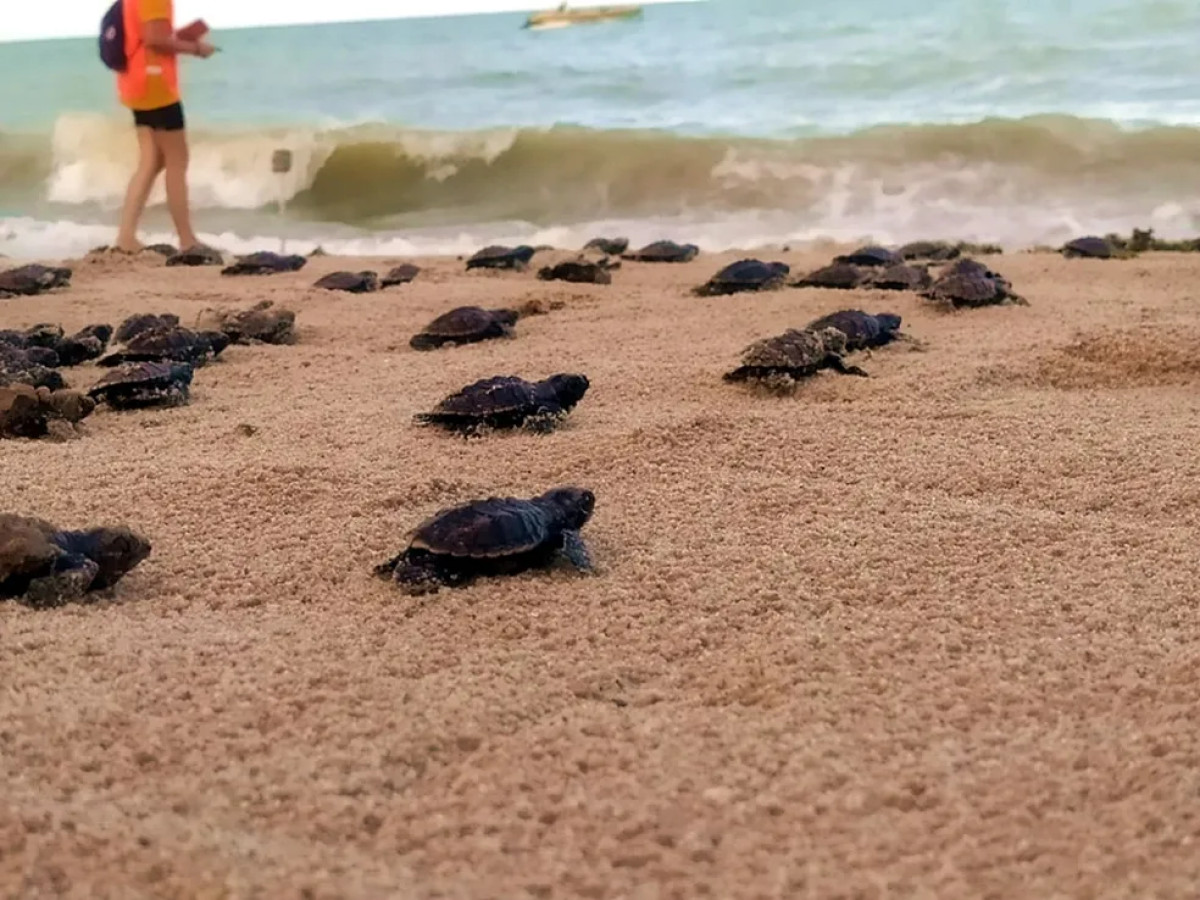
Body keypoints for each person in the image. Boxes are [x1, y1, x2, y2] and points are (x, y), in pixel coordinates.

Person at [114, 0, 214, 254]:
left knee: (152, 160)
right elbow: (154, 40)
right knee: (177, 159)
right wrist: (195, 48)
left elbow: (149, 34)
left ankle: (126, 236)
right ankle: (187, 239)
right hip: (155, 84)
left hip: (136, 83)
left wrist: (177, 38)